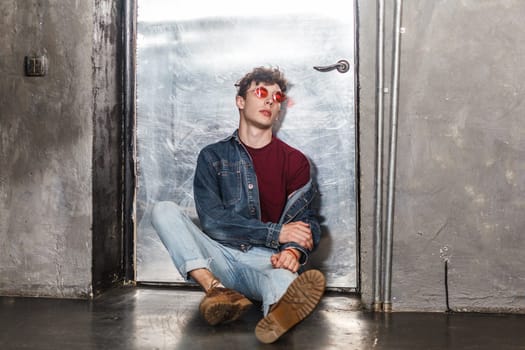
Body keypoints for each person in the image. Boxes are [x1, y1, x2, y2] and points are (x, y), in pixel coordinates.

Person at [151, 66, 325, 344]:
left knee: (286, 284)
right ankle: (217, 290)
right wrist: (277, 233)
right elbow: (213, 222)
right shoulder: (213, 157)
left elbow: (306, 222)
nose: (270, 100)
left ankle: (276, 315)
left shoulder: (295, 161)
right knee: (163, 210)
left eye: (277, 97)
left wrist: (291, 251)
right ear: (240, 101)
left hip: (266, 260)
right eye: (261, 92)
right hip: (218, 256)